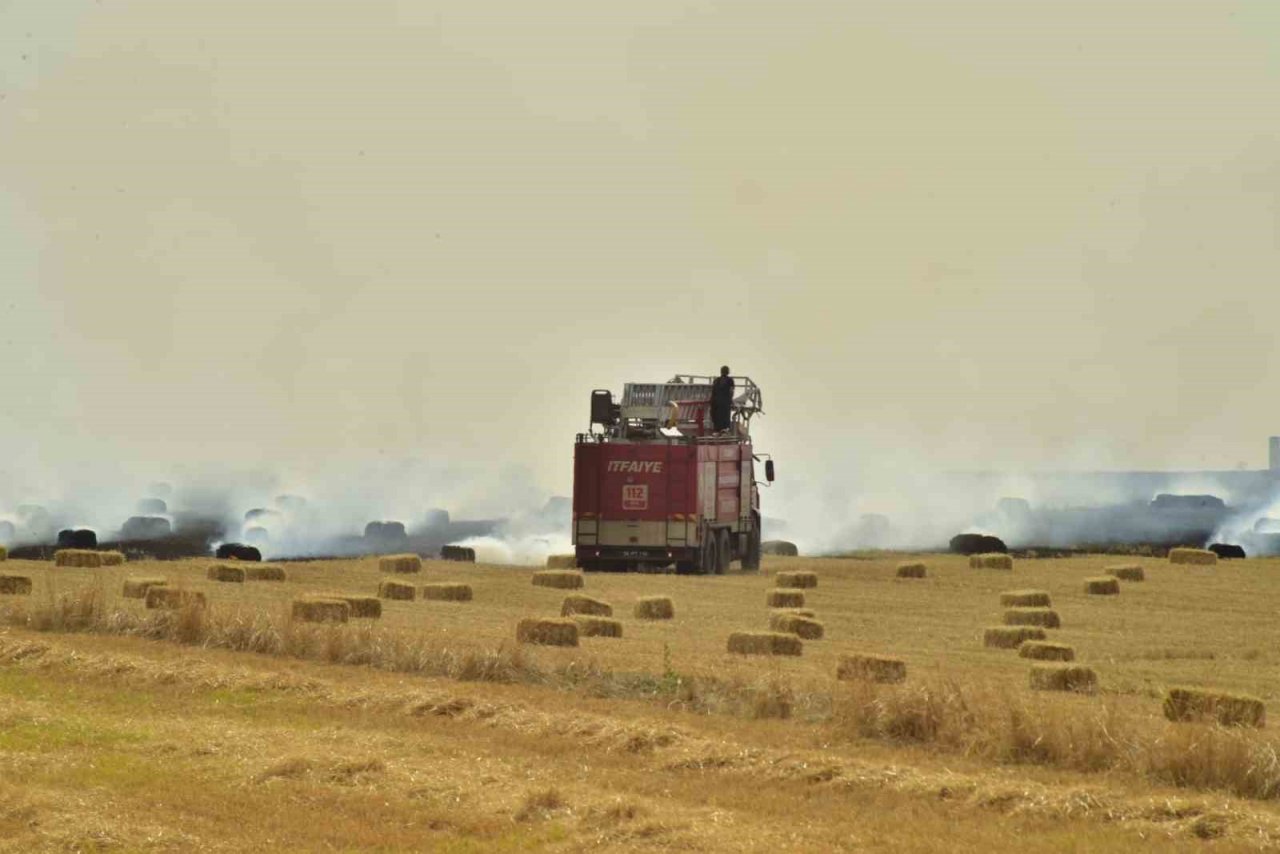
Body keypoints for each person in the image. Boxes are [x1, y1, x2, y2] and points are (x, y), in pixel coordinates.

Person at [711, 366, 734, 432]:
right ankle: (724, 430)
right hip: (725, 401)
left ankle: (717, 430)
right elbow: (731, 391)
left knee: (717, 416)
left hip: (716, 401)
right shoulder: (730, 380)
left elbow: (714, 391)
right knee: (725, 415)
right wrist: (730, 399)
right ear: (728, 372)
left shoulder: (716, 380)